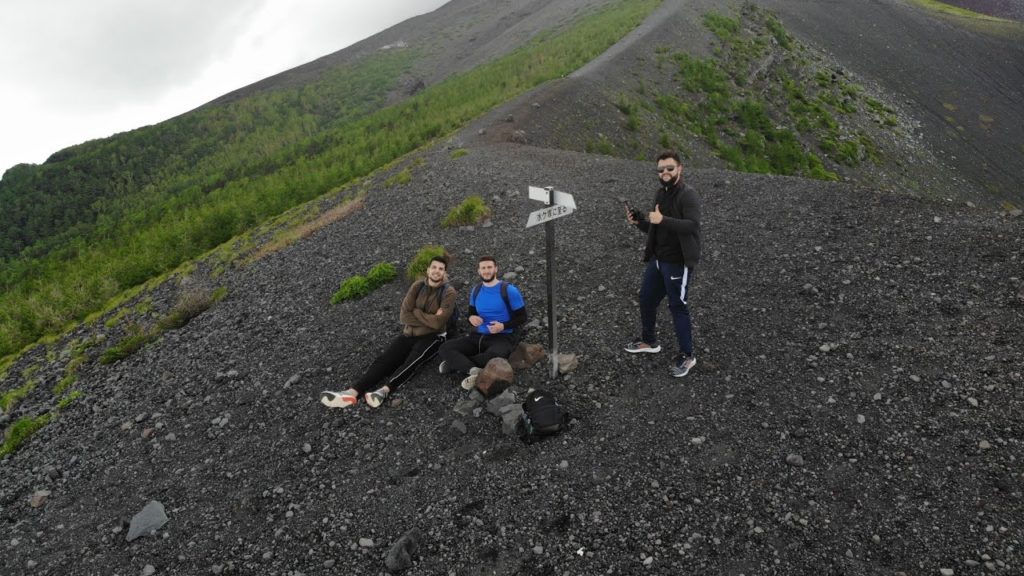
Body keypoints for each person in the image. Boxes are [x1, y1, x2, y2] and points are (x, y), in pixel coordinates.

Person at [320, 255, 457, 409]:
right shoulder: (417, 286)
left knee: (411, 362)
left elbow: (438, 323)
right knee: (385, 360)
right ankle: (352, 392)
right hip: (409, 334)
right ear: (428, 269)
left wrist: (416, 312)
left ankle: (384, 391)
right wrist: (428, 318)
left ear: (444, 273)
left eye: (441, 269)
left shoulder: (449, 292)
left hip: (433, 337)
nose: (437, 271)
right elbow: (404, 315)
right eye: (434, 267)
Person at [624, 150, 701, 377]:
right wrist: (640, 222)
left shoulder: (688, 195)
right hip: (659, 260)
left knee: (677, 307)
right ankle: (649, 341)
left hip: (678, 262)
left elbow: (692, 226)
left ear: (680, 169)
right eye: (661, 169)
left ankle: (688, 356)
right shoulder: (661, 194)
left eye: (669, 168)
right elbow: (657, 228)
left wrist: (662, 219)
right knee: (647, 299)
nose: (665, 172)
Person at [438, 256, 527, 390]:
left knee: (493, 358)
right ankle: (474, 370)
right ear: (479, 271)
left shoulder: (509, 290)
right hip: (478, 336)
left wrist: (503, 326)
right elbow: (471, 313)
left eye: (489, 267)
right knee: (445, 348)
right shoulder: (476, 290)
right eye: (483, 268)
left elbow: (522, 317)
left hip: (502, 337)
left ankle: (456, 364)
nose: (486, 271)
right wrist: (471, 318)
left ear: (496, 269)